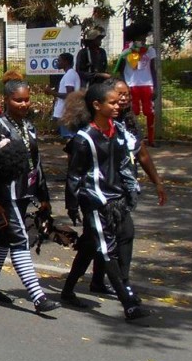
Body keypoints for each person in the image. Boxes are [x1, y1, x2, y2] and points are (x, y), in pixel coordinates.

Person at [58, 78, 167, 302]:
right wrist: (73, 204)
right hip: (97, 201)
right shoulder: (86, 136)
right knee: (106, 247)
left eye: (124, 98)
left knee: (99, 243)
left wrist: (155, 182)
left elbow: (140, 153)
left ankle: (73, 289)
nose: (121, 102)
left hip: (118, 197)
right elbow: (75, 172)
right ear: (98, 104)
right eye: (116, 99)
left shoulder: (120, 128)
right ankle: (127, 297)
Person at [0, 81, 61, 314]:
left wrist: (43, 195)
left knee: (3, 239)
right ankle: (38, 297)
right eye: (18, 100)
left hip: (24, 192)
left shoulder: (29, 126)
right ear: (6, 100)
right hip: (5, 195)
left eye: (26, 99)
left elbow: (37, 164)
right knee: (20, 239)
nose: (24, 104)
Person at [116, 35, 159, 144]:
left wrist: (155, 87)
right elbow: (120, 69)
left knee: (149, 112)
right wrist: (124, 85)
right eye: (139, 39)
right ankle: (134, 138)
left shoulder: (150, 50)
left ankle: (151, 139)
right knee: (133, 112)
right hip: (132, 84)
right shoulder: (126, 52)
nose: (142, 41)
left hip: (147, 84)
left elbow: (153, 69)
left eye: (143, 39)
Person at [51, 53, 81, 139]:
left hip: (66, 112)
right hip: (65, 112)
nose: (57, 63)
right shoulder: (69, 74)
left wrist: (51, 92)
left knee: (68, 137)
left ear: (66, 62)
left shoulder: (70, 74)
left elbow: (70, 95)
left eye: (59, 61)